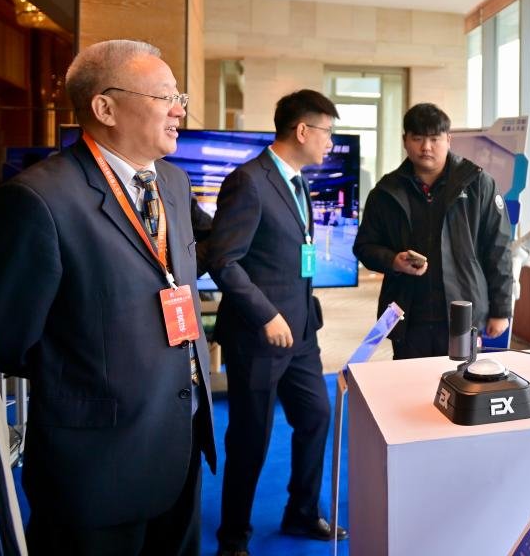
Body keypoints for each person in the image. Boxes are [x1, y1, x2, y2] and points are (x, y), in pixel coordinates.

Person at [0, 39, 215, 555]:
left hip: (178, 443)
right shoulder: (37, 199)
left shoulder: (173, 182)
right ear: (105, 107)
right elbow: (9, 340)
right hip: (97, 463)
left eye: (178, 96)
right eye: (164, 96)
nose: (179, 110)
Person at [207, 89, 343, 555]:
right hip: (258, 336)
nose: (330, 143)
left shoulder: (298, 181)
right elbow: (224, 261)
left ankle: (301, 511)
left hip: (301, 333)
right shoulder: (249, 181)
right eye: (327, 132)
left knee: (316, 416)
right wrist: (265, 313)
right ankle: (233, 537)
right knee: (251, 436)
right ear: (302, 130)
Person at [353, 103, 513, 358]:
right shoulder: (386, 192)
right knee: (408, 378)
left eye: (434, 139)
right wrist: (393, 261)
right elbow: (364, 246)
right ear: (405, 141)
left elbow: (499, 250)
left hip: (463, 310)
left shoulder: (478, 185)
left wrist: (501, 310)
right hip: (407, 313)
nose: (426, 147)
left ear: (448, 139)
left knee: (462, 376)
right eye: (417, 138)